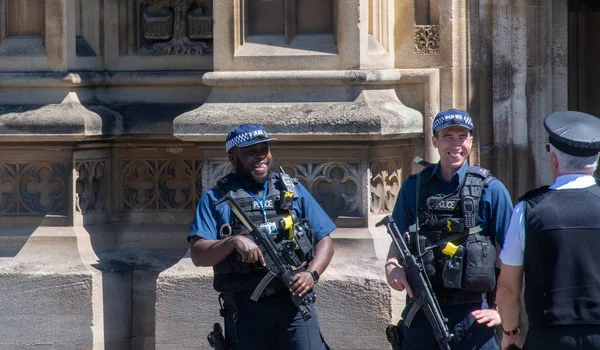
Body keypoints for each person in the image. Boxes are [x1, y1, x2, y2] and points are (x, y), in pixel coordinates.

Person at [188, 123, 335, 350]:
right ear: (233, 158)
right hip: (246, 310)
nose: (261, 157)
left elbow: (325, 239)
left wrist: (311, 273)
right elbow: (198, 254)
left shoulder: (293, 190)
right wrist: (233, 242)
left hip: (293, 306)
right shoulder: (216, 198)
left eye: (264, 150)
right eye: (251, 152)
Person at [385, 108, 514, 349]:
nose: (456, 145)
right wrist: (392, 267)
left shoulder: (491, 190)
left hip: (475, 315)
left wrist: (503, 312)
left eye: (462, 137)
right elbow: (397, 242)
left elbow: (514, 253)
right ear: (434, 141)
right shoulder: (413, 188)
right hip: (422, 312)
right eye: (447, 136)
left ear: (471, 141)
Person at [497, 111, 600, 350]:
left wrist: (510, 332)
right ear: (595, 161)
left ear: (553, 160)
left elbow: (507, 288)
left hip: (549, 337)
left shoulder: (528, 209)